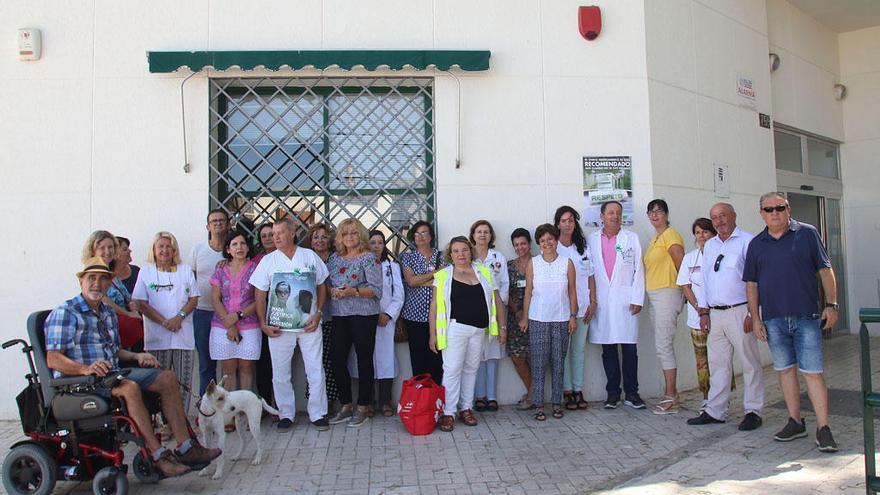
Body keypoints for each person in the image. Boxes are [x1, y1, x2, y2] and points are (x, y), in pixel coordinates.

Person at [44, 257, 220, 477]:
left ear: (109, 283)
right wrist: (84, 369)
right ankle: (158, 456)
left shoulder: (106, 313)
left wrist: (137, 356)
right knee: (129, 388)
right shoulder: (66, 312)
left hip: (110, 374)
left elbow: (114, 351)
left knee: (167, 377)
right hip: (81, 383)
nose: (96, 283)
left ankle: (186, 448)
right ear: (81, 281)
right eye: (91, 278)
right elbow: (53, 359)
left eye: (102, 279)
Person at [744, 192, 839, 452]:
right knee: (785, 371)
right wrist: (755, 318)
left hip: (806, 317)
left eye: (779, 207)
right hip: (773, 320)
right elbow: (751, 284)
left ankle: (823, 428)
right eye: (769, 209)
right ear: (761, 213)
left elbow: (825, 269)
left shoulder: (807, 234)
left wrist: (831, 305)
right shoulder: (756, 244)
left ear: (788, 208)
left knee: (812, 373)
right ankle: (795, 421)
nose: (774, 213)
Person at [687, 203, 764, 431]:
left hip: (740, 311)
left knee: (750, 362)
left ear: (734, 216)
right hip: (715, 314)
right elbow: (707, 281)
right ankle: (715, 410)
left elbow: (755, 280)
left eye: (723, 216)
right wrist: (703, 311)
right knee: (718, 364)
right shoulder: (709, 246)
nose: (719, 221)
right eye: (715, 217)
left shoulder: (748, 241)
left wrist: (753, 312)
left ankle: (753, 410)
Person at [249, 216, 330, 432]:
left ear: (292, 233)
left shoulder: (309, 256)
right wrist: (263, 323)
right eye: (273, 234)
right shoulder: (268, 261)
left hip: (308, 323)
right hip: (279, 326)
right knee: (280, 372)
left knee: (314, 369)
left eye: (280, 233)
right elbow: (259, 294)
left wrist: (319, 312)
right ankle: (285, 414)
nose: (275, 237)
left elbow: (322, 285)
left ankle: (317, 413)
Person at [429, 236, 505, 431]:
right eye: (456, 251)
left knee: (472, 369)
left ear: (470, 251)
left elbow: (497, 300)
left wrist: (502, 327)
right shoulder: (444, 275)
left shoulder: (485, 272)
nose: (460, 254)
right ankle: (448, 412)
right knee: (452, 370)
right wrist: (432, 334)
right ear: (450, 254)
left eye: (464, 250)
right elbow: (435, 307)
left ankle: (466, 408)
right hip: (455, 329)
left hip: (479, 330)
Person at [132, 231, 199, 414]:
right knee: (157, 381)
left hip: (182, 335)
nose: (165, 250)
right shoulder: (146, 271)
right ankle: (161, 422)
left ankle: (181, 421)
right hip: (157, 337)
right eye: (160, 246)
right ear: (153, 250)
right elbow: (141, 303)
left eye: (169, 246)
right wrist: (164, 322)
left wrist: (179, 318)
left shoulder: (185, 270)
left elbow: (193, 299)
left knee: (183, 381)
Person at [325, 219, 383, 428]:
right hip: (339, 315)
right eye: (345, 233)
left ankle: (363, 406)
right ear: (340, 237)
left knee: (364, 360)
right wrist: (332, 291)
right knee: (336, 358)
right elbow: (327, 284)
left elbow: (377, 290)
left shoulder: (369, 259)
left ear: (361, 236)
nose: (349, 237)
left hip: (363, 315)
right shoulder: (334, 259)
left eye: (354, 233)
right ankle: (346, 404)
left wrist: (353, 291)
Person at [588, 201, 646, 410]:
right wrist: (591, 300)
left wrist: (637, 298)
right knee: (608, 349)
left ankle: (632, 393)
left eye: (618, 213)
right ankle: (613, 393)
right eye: (610, 212)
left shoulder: (631, 238)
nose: (614, 216)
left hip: (626, 301)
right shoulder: (592, 240)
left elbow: (639, 269)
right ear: (601, 216)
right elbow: (589, 271)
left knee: (630, 349)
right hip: (603, 302)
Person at [520, 224, 577, 420]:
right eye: (542, 241)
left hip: (561, 319)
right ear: (539, 243)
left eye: (550, 239)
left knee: (558, 363)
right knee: (538, 363)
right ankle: (538, 404)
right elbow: (528, 292)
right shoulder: (533, 264)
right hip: (538, 319)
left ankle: (556, 403)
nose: (547, 243)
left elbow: (571, 291)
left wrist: (572, 315)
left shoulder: (567, 263)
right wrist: (525, 317)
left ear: (556, 240)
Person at [348, 230, 404, 416]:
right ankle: (368, 401)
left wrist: (388, 315)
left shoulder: (392, 267)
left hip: (385, 321)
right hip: (364, 317)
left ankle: (385, 401)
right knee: (366, 359)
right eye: (373, 242)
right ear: (367, 245)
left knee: (386, 359)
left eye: (380, 242)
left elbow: (399, 295)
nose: (377, 246)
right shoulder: (358, 265)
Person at [643, 199, 686, 415]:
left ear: (667, 214)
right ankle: (671, 393)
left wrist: (687, 294)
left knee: (663, 345)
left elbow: (682, 267)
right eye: (651, 212)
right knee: (662, 346)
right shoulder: (655, 238)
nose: (654, 215)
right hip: (655, 295)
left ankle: (671, 396)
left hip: (668, 293)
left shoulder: (671, 235)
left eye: (659, 211)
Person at [555, 206, 597, 410]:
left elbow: (590, 276)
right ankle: (567, 390)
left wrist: (593, 301)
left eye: (571, 220)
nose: (568, 224)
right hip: (562, 309)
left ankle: (578, 389)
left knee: (578, 350)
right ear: (558, 224)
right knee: (563, 350)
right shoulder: (553, 248)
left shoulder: (583, 247)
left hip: (583, 307)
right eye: (563, 220)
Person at [209, 230, 259, 398]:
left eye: (243, 243)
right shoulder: (221, 270)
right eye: (235, 244)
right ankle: (230, 413)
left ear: (248, 247)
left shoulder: (256, 269)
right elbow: (215, 299)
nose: (239, 247)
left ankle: (245, 409)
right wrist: (229, 323)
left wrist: (238, 316)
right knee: (228, 369)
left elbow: (260, 300)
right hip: (222, 325)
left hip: (249, 324)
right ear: (228, 250)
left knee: (246, 368)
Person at [676, 218, 719, 410]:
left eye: (705, 232)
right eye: (698, 232)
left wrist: (708, 309)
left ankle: (721, 396)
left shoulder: (720, 255)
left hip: (719, 316)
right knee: (702, 361)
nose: (702, 236)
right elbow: (685, 285)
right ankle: (706, 397)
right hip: (697, 318)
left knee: (719, 360)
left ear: (713, 233)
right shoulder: (689, 258)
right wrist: (699, 307)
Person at [188, 209, 230, 398]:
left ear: (228, 224)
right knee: (206, 363)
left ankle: (227, 407)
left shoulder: (233, 249)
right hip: (203, 312)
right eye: (214, 221)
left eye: (222, 220)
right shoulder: (198, 250)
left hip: (228, 315)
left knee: (229, 362)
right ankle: (206, 407)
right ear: (208, 226)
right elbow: (190, 280)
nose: (218, 224)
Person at [470, 220, 509, 413]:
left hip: (495, 313)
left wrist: (498, 307)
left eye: (486, 232)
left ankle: (492, 397)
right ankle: (479, 396)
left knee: (493, 355)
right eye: (479, 232)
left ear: (491, 235)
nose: (482, 235)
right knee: (477, 355)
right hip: (474, 312)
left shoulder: (498, 256)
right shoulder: (468, 258)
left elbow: (504, 284)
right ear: (473, 235)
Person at [82, 231, 144, 351]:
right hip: (107, 330)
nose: (108, 251)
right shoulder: (93, 271)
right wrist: (128, 314)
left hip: (122, 332)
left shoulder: (111, 272)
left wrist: (133, 306)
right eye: (102, 248)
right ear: (93, 250)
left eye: (110, 247)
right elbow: (102, 299)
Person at [401, 221, 446, 384]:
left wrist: (422, 279)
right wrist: (435, 274)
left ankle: (435, 398)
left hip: (438, 315)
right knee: (418, 358)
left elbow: (444, 282)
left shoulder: (442, 256)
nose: (420, 236)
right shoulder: (408, 256)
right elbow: (411, 281)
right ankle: (420, 397)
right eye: (417, 233)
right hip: (414, 315)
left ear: (431, 236)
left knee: (437, 359)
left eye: (424, 233)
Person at [306, 223, 340, 413]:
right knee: (313, 362)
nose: (319, 240)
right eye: (315, 237)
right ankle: (316, 402)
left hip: (333, 315)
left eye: (323, 237)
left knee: (332, 359)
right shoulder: (305, 259)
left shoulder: (336, 260)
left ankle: (332, 401)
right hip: (310, 317)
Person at [507, 228, 534, 410]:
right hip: (515, 317)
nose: (520, 247)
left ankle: (532, 395)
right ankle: (533, 392)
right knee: (518, 357)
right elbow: (504, 290)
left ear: (529, 243)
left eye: (523, 243)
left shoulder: (539, 263)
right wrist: (517, 310)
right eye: (516, 245)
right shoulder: (509, 266)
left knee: (537, 357)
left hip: (538, 316)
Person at [253, 222, 276, 407]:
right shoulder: (255, 261)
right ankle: (265, 405)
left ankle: (278, 405)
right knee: (263, 364)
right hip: (259, 317)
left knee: (280, 365)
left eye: (271, 234)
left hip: (282, 317)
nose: (268, 238)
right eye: (264, 235)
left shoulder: (286, 257)